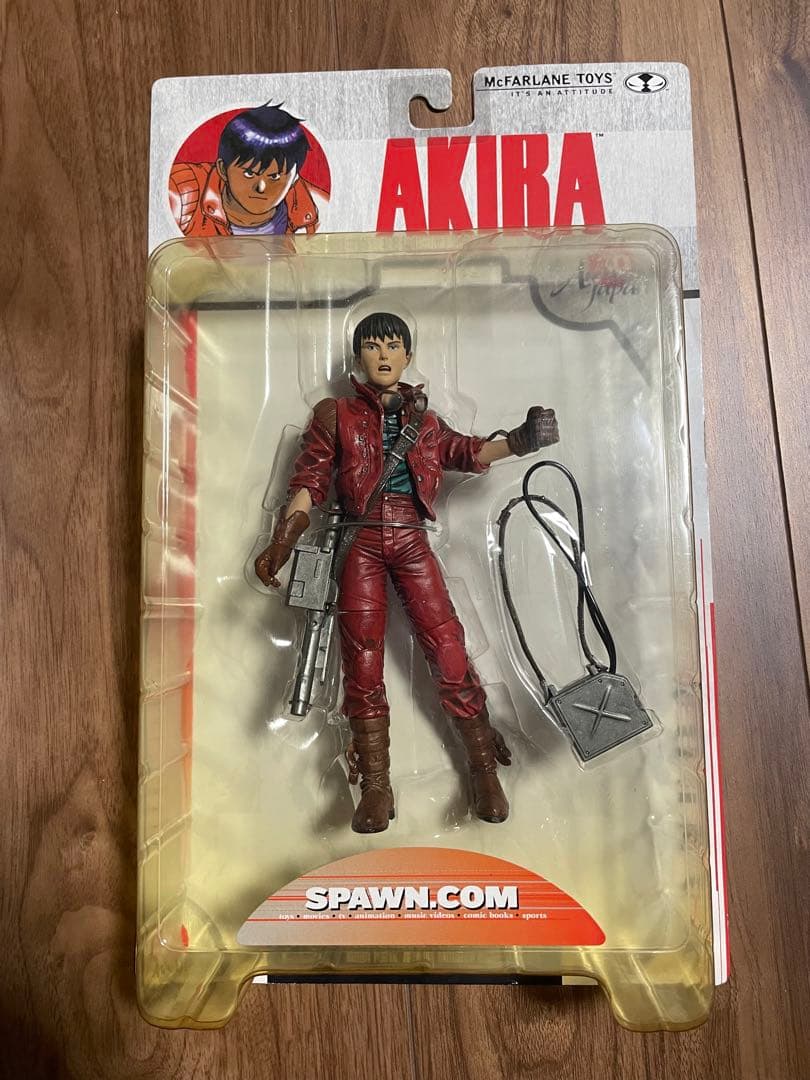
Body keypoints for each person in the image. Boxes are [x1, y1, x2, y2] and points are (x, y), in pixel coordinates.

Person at [255, 312, 559, 833]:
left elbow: (468, 451)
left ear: (407, 355)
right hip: (359, 541)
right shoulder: (335, 415)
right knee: (362, 661)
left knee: (449, 649)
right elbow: (309, 480)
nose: (383, 355)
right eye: (373, 346)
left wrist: (522, 439)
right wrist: (282, 541)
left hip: (410, 537)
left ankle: (484, 770)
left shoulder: (427, 422)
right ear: (359, 356)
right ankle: (375, 785)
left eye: (393, 346)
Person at [169, 104, 324, 237]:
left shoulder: (318, 209)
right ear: (223, 169)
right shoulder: (182, 193)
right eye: (249, 173)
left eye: (275, 176)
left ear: (295, 178)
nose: (260, 188)